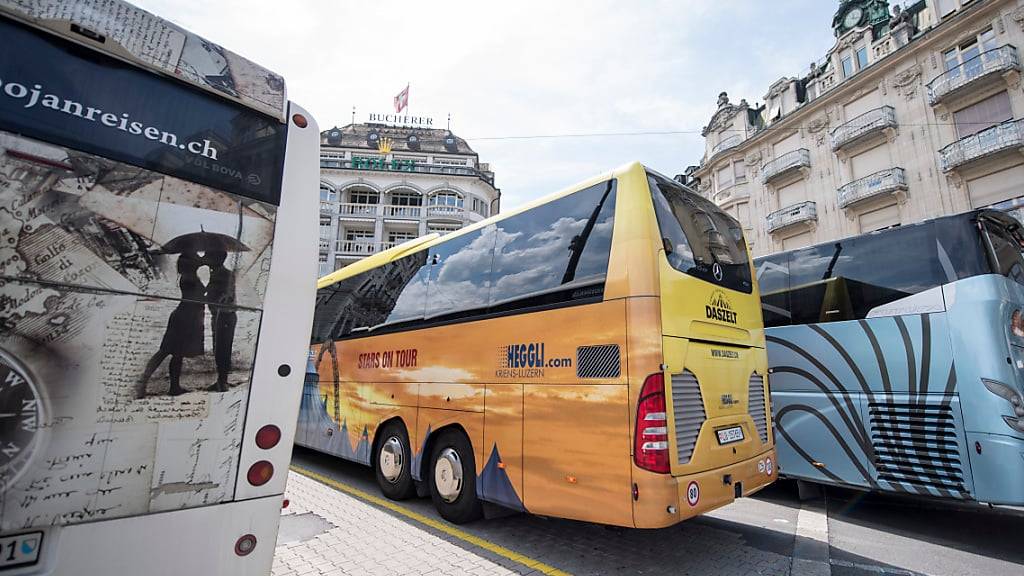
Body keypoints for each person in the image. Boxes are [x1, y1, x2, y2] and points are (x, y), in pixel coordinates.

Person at [137, 250, 206, 397]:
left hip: (185, 316)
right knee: (166, 351)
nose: (198, 261)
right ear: (190, 264)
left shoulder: (189, 276)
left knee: (176, 354)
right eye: (195, 259)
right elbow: (196, 299)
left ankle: (173, 387)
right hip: (185, 318)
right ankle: (143, 382)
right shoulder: (190, 278)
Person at [205, 250, 237, 392]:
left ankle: (223, 382)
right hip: (219, 315)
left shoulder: (224, 274)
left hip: (224, 315)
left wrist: (221, 299)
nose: (207, 260)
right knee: (219, 348)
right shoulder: (218, 273)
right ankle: (221, 380)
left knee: (222, 348)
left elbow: (228, 295)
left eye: (209, 257)